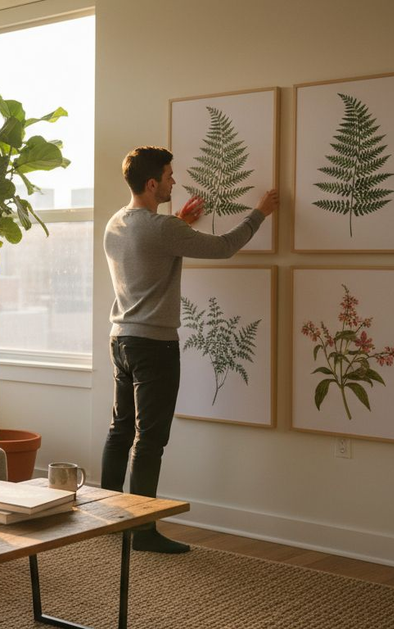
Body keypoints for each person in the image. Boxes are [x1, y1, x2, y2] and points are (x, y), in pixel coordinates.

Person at [102, 146, 277, 554]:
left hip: (121, 340)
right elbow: (224, 247)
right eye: (168, 176)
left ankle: (106, 521)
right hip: (155, 346)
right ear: (151, 184)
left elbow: (147, 249)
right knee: (150, 439)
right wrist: (260, 212)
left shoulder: (116, 222)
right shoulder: (164, 230)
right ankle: (142, 532)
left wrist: (178, 223)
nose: (173, 182)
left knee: (120, 430)